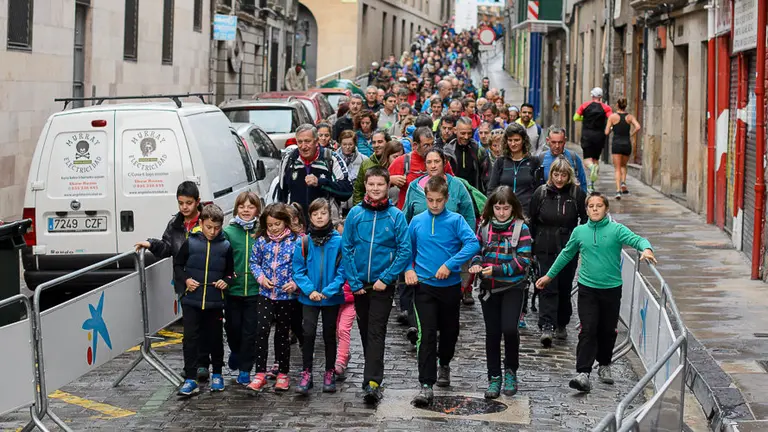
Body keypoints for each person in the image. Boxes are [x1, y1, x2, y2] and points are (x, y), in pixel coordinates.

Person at [536, 192, 656, 393]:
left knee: (607, 330)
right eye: (591, 206)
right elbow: (566, 254)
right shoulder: (580, 232)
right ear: (586, 209)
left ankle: (604, 364)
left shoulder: (616, 230)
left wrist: (647, 249)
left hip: (611, 289)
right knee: (588, 328)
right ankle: (583, 373)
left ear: (606, 209)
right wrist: (549, 276)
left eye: (599, 206)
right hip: (587, 288)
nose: (595, 209)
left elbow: (638, 240)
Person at [406, 176, 480, 407]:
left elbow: (472, 244)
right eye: (430, 200)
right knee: (426, 334)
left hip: (449, 288)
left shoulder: (456, 220)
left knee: (450, 332)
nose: (435, 205)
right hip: (424, 287)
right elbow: (408, 248)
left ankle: (444, 362)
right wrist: (409, 269)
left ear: (446, 199)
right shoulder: (417, 221)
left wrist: (450, 264)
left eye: (439, 200)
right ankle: (425, 385)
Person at [342, 166, 412, 404]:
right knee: (364, 330)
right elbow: (347, 247)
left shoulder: (396, 216)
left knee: (376, 330)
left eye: (380, 185)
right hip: (360, 284)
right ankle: (370, 373)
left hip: (383, 285)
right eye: (371, 185)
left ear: (387, 186)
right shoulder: (355, 214)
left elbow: (404, 251)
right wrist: (353, 281)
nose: (375, 189)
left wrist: (387, 278)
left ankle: (373, 381)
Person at [135, 181, 211, 382]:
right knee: (190, 327)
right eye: (180, 203)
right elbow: (168, 247)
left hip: (207, 280)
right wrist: (152, 244)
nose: (184, 207)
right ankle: (191, 367)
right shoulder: (175, 224)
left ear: (197, 202)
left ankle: (205, 363)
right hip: (185, 281)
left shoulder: (206, 220)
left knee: (207, 326)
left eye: (188, 203)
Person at [469, 186, 531, 399]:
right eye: (498, 208)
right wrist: (477, 264)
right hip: (490, 288)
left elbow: (523, 260)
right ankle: (494, 377)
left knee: (509, 329)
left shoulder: (521, 228)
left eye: (505, 208)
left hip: (513, 286)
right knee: (492, 333)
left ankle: (511, 370)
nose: (501, 212)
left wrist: (497, 269)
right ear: (491, 208)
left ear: (513, 208)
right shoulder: (484, 227)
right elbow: (476, 251)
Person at [174, 204, 234, 396]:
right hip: (192, 300)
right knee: (190, 339)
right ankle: (190, 378)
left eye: (217, 228)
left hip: (215, 302)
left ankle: (217, 374)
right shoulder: (190, 243)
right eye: (209, 227)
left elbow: (230, 273)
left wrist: (226, 281)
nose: (213, 232)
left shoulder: (225, 246)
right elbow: (177, 265)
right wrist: (186, 280)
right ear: (201, 223)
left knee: (215, 339)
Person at [528, 157, 587, 348]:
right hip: (545, 246)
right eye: (556, 174)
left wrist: (580, 243)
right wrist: (531, 247)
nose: (559, 179)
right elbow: (533, 219)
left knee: (564, 286)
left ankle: (562, 322)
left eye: (563, 175)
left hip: (567, 245)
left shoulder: (576, 194)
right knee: (547, 284)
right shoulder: (541, 193)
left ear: (569, 175)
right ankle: (546, 325)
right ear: (550, 175)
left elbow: (585, 220)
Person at [245, 203, 301, 393]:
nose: (274, 228)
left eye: (277, 224)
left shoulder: (295, 241)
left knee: (282, 334)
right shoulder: (261, 241)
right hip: (266, 295)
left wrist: (294, 283)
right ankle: (259, 373)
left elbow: (301, 266)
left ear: (285, 222)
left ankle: (283, 373)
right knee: (261, 331)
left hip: (287, 297)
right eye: (270, 225)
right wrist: (261, 278)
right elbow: (254, 262)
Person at [292, 198, 346, 395]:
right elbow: (298, 270)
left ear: (329, 215)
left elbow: (343, 270)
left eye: (323, 213)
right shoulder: (304, 242)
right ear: (310, 217)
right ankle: (306, 373)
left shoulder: (338, 241)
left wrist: (329, 291)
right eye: (315, 214)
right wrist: (310, 290)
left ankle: (329, 372)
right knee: (308, 333)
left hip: (331, 297)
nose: (319, 217)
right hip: (309, 297)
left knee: (329, 334)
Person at [222, 192, 262, 384]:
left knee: (250, 331)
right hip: (233, 291)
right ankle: (235, 351)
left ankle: (246, 368)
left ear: (257, 209)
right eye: (242, 206)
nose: (246, 210)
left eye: (250, 206)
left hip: (255, 291)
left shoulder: (261, 232)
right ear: (236, 208)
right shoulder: (228, 232)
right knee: (233, 328)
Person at [276, 124, 353, 223]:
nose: (303, 146)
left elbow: (347, 192)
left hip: (325, 225)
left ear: (316, 142)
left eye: (307, 141)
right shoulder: (289, 160)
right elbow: (282, 196)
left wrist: (321, 183)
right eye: (300, 142)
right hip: (297, 226)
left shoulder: (331, 159)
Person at [403, 148, 476, 228]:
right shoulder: (414, 187)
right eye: (429, 162)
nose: (433, 166)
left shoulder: (457, 186)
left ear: (444, 162)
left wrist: (467, 239)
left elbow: (469, 217)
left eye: (437, 161)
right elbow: (406, 219)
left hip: (452, 238)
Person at [388, 126, 454, 210]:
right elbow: (380, 183)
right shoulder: (403, 161)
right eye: (426, 145)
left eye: (432, 144)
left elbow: (452, 184)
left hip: (438, 210)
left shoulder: (441, 160)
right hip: (410, 214)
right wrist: (391, 179)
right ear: (415, 145)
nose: (431, 148)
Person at [487, 123, 542, 216]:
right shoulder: (500, 162)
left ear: (524, 140)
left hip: (527, 213)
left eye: (517, 140)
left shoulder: (534, 161)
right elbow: (492, 189)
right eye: (510, 140)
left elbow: (538, 190)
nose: (513, 144)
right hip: (504, 213)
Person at [574, 87, 613, 192]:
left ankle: (591, 168)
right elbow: (611, 119)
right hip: (599, 136)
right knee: (596, 159)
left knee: (587, 159)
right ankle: (591, 184)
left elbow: (575, 117)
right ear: (601, 97)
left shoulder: (585, 105)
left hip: (587, 135)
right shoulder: (606, 108)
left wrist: (584, 118)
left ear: (592, 95)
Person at [605, 98, 641, 199]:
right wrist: (631, 134)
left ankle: (618, 191)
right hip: (626, 144)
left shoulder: (612, 117)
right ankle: (623, 183)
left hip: (616, 144)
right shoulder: (629, 117)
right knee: (624, 166)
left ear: (617, 105)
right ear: (625, 105)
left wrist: (612, 128)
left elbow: (606, 132)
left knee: (617, 168)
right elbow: (638, 126)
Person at [334, 220, 356, 381]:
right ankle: (345, 353)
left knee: (343, 328)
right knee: (336, 330)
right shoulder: (333, 252)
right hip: (335, 299)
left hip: (351, 298)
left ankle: (341, 360)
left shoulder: (355, 252)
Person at [538, 126, 588, 193]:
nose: (557, 146)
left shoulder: (573, 157)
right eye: (553, 142)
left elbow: (582, 183)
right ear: (548, 140)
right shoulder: (541, 158)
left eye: (560, 142)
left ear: (565, 141)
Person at [448, 117, 490, 193]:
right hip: (453, 194)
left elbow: (487, 177)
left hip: (474, 194)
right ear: (455, 131)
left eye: (469, 133)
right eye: (463, 133)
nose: (466, 137)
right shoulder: (448, 152)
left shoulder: (479, 151)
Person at [336, 130, 369, 215]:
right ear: (340, 144)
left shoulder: (364, 160)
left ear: (355, 144)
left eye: (350, 144)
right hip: (338, 205)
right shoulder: (333, 160)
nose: (347, 147)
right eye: (344, 144)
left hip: (357, 204)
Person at [352, 130, 389, 205]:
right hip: (369, 207)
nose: (376, 145)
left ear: (387, 143)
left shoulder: (394, 161)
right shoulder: (366, 164)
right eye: (374, 142)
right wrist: (359, 208)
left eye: (380, 142)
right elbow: (358, 190)